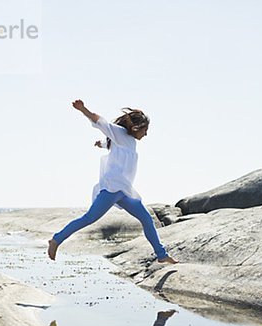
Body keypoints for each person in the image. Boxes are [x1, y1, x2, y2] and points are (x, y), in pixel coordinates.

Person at [48, 99, 178, 264]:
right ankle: (56, 240)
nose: (146, 134)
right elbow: (99, 121)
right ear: (135, 127)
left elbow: (114, 144)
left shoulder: (127, 140)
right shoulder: (119, 133)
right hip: (112, 189)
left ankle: (161, 255)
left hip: (123, 191)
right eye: (145, 130)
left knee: (146, 219)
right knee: (89, 218)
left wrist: (101, 143)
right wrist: (83, 109)